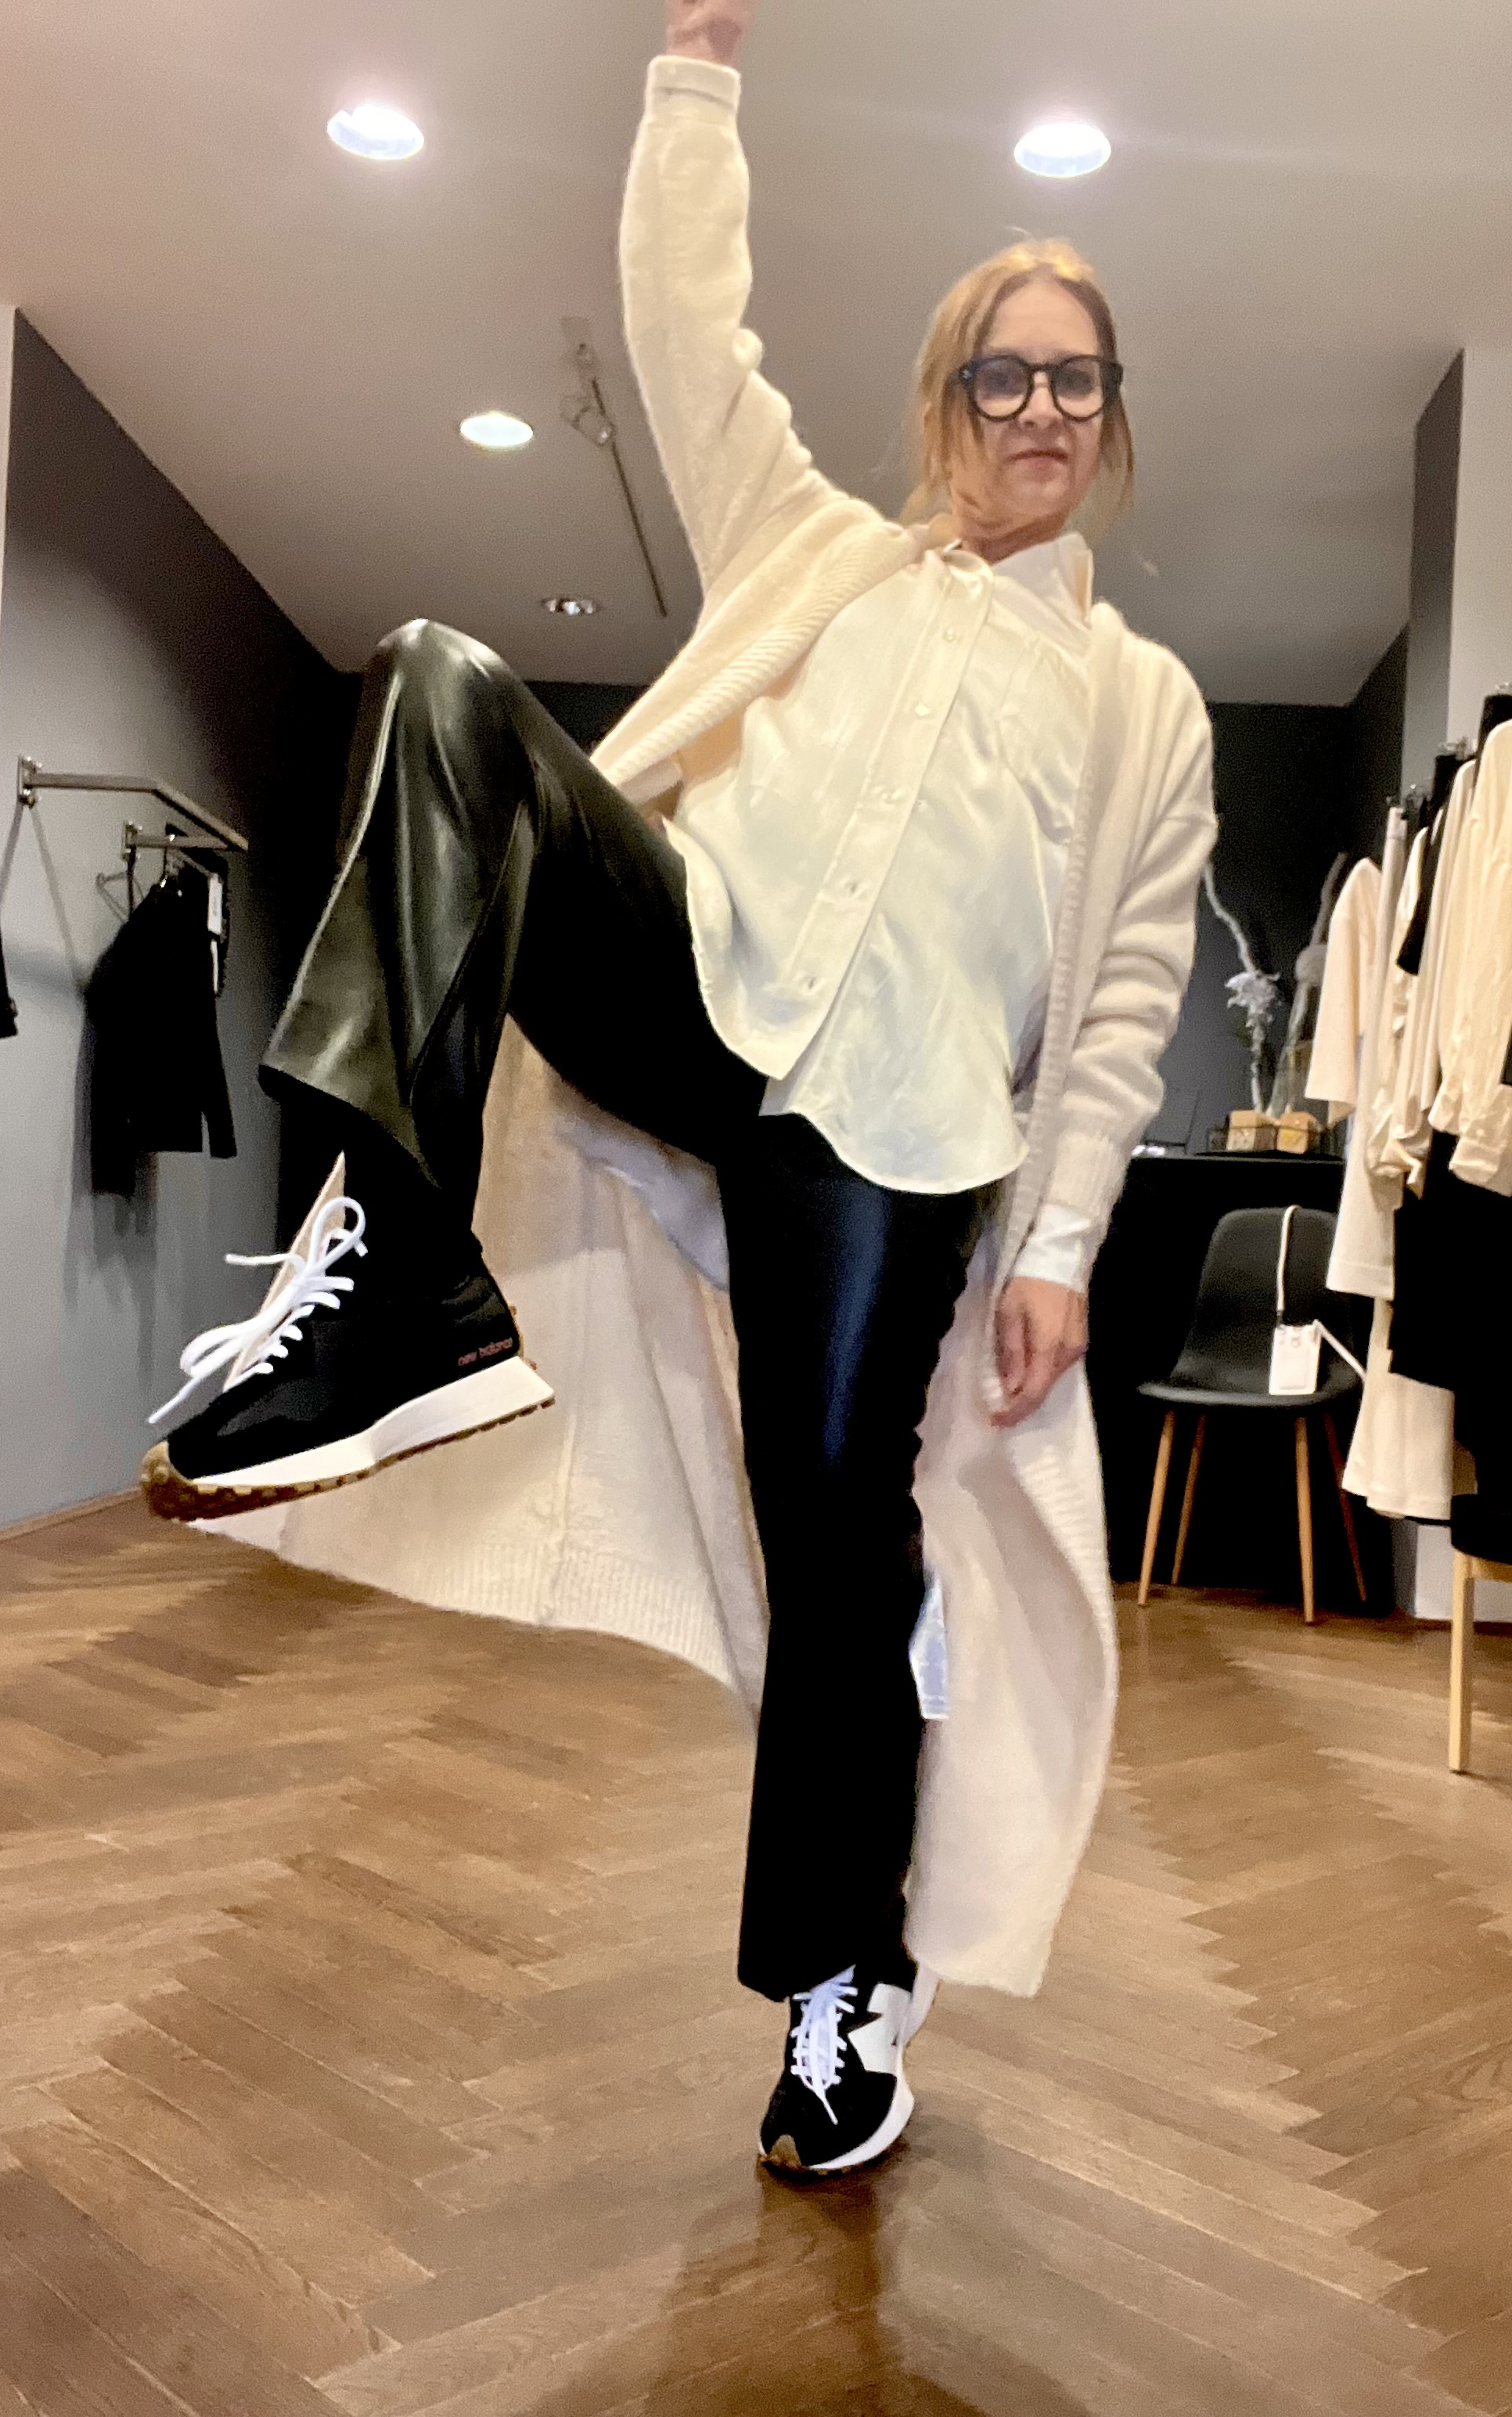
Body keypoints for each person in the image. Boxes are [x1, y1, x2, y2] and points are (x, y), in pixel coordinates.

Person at [142, 0, 1215, 2178]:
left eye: (1073, 379)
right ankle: (405, 1278)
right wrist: (696, 68)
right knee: (442, 687)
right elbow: (682, 331)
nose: (1036, 406)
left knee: (833, 1536)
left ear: (1109, 423)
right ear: (946, 401)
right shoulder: (816, 547)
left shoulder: (1141, 700)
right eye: (1000, 373)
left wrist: (1065, 1248)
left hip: (903, 1129)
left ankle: (840, 1987)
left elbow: (1120, 1001)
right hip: (702, 985)